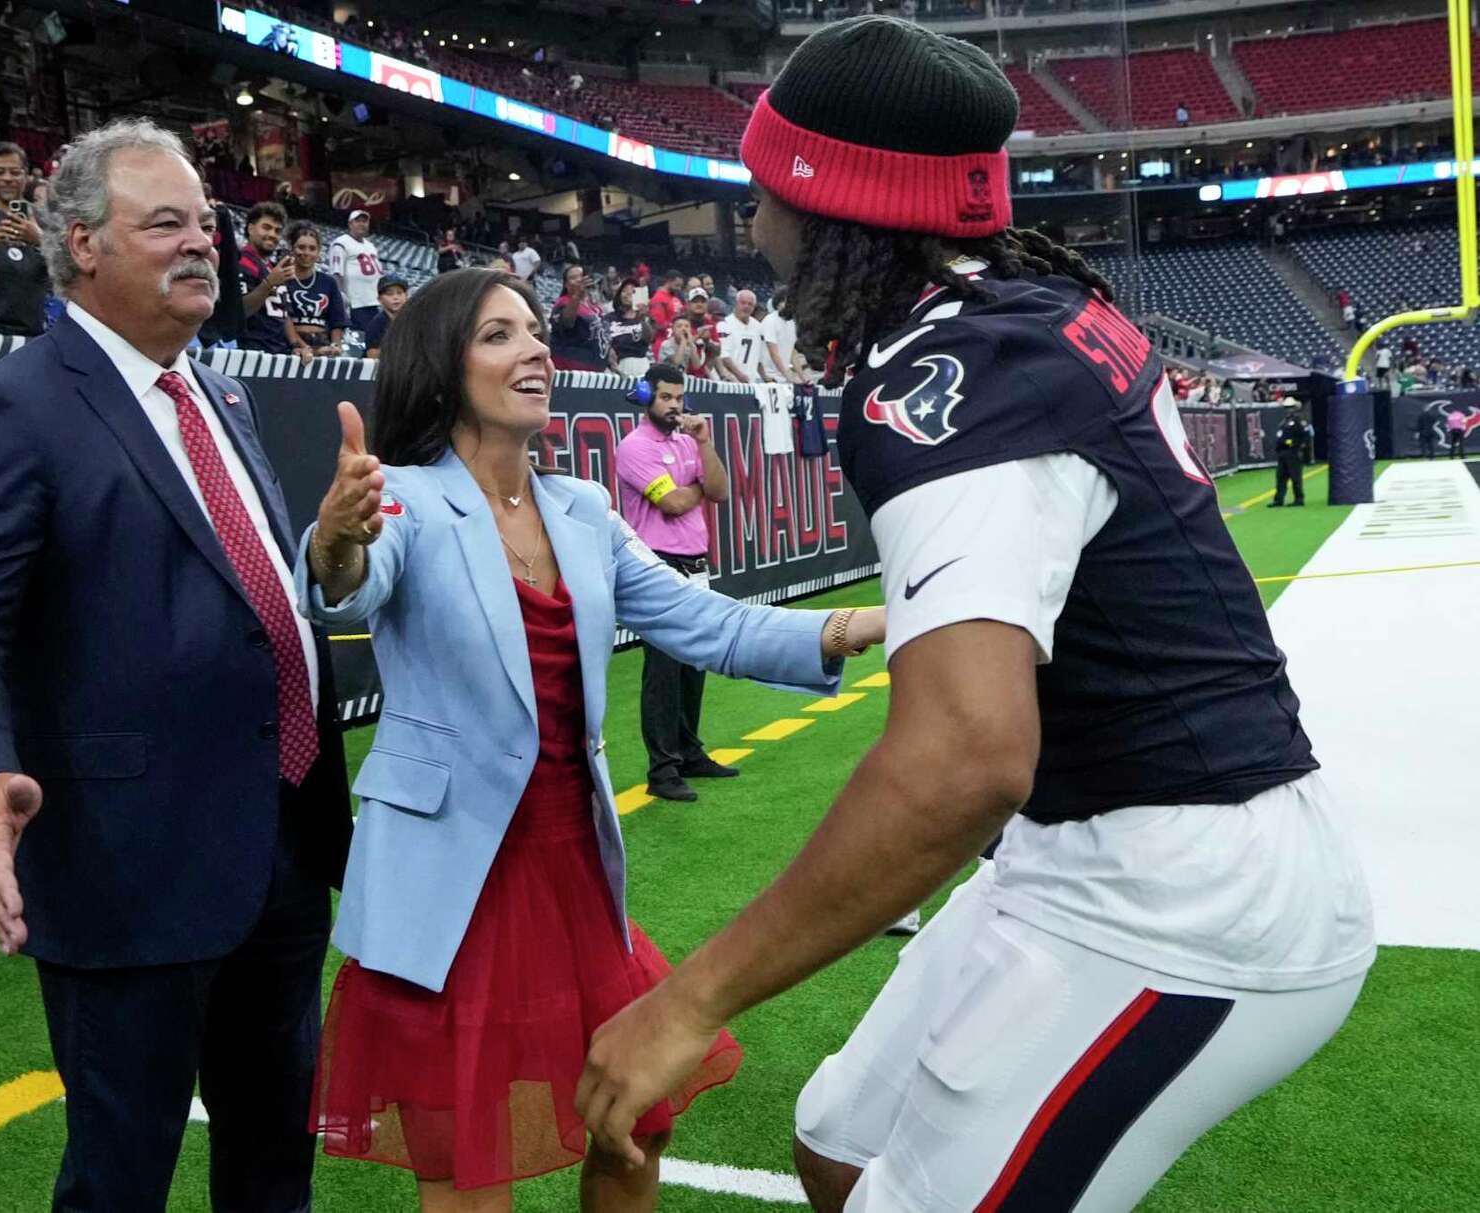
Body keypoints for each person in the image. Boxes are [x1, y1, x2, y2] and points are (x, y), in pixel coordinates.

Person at [578, 19, 1374, 1213]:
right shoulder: (1022, 308)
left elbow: (962, 757)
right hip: (1082, 840)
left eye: (764, 190)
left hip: (1184, 885)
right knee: (838, 1140)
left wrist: (690, 996)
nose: (755, 224)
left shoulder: (949, 377)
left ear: (826, 192)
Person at [297, 267, 884, 1210]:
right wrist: (336, 539)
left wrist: (870, 622)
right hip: (452, 889)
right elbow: (349, 580)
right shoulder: (399, 498)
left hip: (575, 874)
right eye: (500, 335)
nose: (535, 348)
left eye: (536, 330)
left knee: (632, 1129)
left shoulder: (582, 511)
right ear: (444, 369)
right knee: (468, 1170)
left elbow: (711, 624)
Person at [0, 118, 353, 1212]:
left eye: (205, 220)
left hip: (282, 839)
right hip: (126, 861)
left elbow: (243, 594)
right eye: (165, 222)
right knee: (119, 1175)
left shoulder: (220, 391)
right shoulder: (17, 403)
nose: (204, 241)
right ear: (81, 244)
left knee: (271, 1162)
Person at [614, 363, 741, 802]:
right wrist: (698, 486)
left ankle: (689, 752)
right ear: (646, 396)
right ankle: (662, 770)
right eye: (665, 397)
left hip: (694, 565)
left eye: (678, 398)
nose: (674, 406)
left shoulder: (690, 440)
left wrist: (704, 444)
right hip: (657, 566)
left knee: (693, 666)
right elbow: (671, 502)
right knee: (663, 672)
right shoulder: (634, 447)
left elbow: (721, 490)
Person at [0, 141, 49, 338]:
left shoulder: (44, 218)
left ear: (26, 176)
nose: (7, 178)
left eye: (15, 172)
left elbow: (72, 263)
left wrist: (39, 238)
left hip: (38, 330)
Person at [276, 219, 349, 363]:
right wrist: (305, 348)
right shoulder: (281, 278)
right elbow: (284, 318)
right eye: (301, 247)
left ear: (319, 251)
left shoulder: (329, 282)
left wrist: (335, 346)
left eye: (312, 248)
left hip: (323, 345)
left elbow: (337, 321)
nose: (306, 252)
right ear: (292, 248)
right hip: (291, 348)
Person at [237, 200, 295, 352]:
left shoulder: (272, 267)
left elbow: (283, 315)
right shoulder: (241, 261)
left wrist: (297, 345)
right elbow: (240, 310)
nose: (272, 234)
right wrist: (269, 283)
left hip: (279, 351)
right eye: (266, 227)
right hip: (252, 352)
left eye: (277, 230)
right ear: (250, 228)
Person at [325, 208, 383, 332]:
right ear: (350, 224)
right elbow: (336, 272)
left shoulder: (370, 245)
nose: (362, 224)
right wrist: (341, 298)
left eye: (365, 221)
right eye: (358, 221)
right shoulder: (341, 243)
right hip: (356, 303)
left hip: (373, 301)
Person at [549, 263, 608, 371]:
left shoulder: (594, 306)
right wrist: (576, 296)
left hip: (595, 366)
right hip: (571, 367)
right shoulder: (563, 302)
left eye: (581, 276)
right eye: (573, 278)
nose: (578, 280)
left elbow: (602, 334)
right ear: (566, 284)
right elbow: (567, 323)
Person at [716, 288, 768, 383]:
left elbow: (759, 359)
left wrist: (765, 378)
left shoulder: (758, 327)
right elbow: (723, 356)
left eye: (750, 304)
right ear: (736, 304)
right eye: (743, 303)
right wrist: (739, 375)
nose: (746, 306)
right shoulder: (724, 324)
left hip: (750, 381)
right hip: (730, 381)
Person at [605, 281, 655, 377]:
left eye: (633, 291)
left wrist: (641, 318)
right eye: (624, 291)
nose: (628, 294)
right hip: (615, 364)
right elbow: (603, 339)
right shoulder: (609, 318)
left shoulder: (644, 318)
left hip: (638, 364)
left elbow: (649, 339)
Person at [759, 289, 805, 383]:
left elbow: (792, 354)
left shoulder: (791, 323)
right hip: (767, 377)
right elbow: (774, 353)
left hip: (782, 379)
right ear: (779, 303)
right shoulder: (770, 321)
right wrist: (789, 377)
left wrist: (803, 377)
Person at [1271, 402, 1310, 506]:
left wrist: (1295, 445)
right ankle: (1278, 500)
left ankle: (1299, 499)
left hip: (1293, 452)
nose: (1288, 410)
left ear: (1295, 409)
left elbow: (1305, 436)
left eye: (1290, 408)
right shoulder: (1284, 422)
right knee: (1280, 477)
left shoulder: (1298, 421)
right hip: (1283, 452)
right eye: (1286, 408)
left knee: (1295, 477)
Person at [359, 275, 406, 359]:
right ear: (380, 299)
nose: (396, 297)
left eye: (399, 293)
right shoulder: (376, 324)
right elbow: (372, 355)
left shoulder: (412, 321)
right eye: (389, 294)